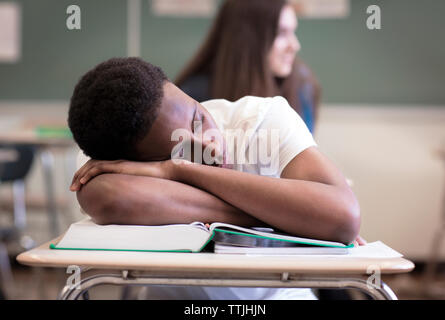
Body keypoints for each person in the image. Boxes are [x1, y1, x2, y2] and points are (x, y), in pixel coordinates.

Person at [68, 57, 360, 300]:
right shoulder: (113, 150)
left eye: (199, 118)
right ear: (131, 162)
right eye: (182, 150)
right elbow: (109, 198)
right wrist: (292, 217)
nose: (209, 145)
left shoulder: (260, 120)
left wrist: (178, 170)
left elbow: (343, 216)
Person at [175, 0, 320, 134]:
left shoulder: (302, 86)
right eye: (280, 33)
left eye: (292, 31)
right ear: (247, 39)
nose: (294, 45)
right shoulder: (193, 97)